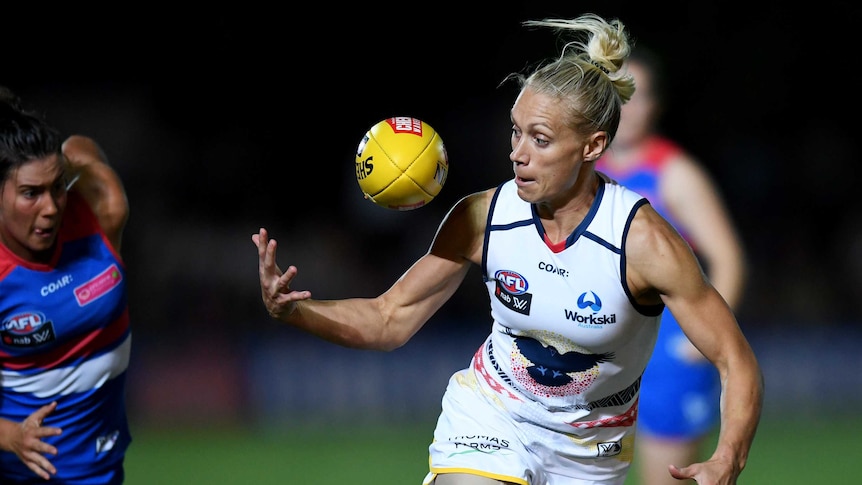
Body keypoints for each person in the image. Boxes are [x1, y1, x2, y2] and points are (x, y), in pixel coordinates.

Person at [252, 13, 763, 485]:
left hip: (589, 451)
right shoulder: (483, 217)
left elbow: (735, 360)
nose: (517, 153)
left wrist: (728, 457)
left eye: (539, 139)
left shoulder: (642, 240)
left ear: (592, 147)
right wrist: (293, 312)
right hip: (492, 413)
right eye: (515, 133)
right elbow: (390, 319)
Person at [595, 47, 748, 485]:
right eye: (619, 95)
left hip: (667, 354)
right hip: (603, 350)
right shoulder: (587, 171)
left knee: (667, 480)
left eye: (638, 96)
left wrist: (699, 344)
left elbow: (729, 258)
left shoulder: (675, 174)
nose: (627, 107)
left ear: (655, 105)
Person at [0, 86, 132, 483]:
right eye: (30, 193)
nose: (51, 208)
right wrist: (11, 436)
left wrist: (58, 166)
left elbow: (80, 146)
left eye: (56, 186)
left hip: (104, 469)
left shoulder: (101, 204)